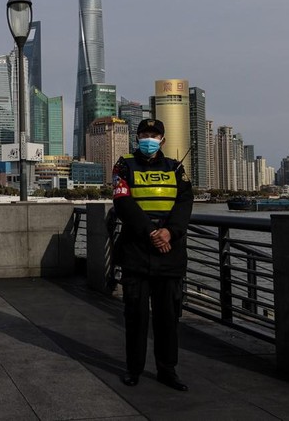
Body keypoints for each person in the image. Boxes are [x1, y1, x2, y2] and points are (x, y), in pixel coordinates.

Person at [111, 119, 193, 391]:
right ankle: (133, 369)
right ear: (137, 138)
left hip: (169, 254)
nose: (149, 139)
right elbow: (122, 202)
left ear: (163, 140)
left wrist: (170, 232)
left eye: (154, 135)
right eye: (144, 134)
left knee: (168, 318)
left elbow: (184, 204)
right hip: (136, 251)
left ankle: (167, 370)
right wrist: (151, 232)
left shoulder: (176, 168)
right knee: (135, 317)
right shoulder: (124, 165)